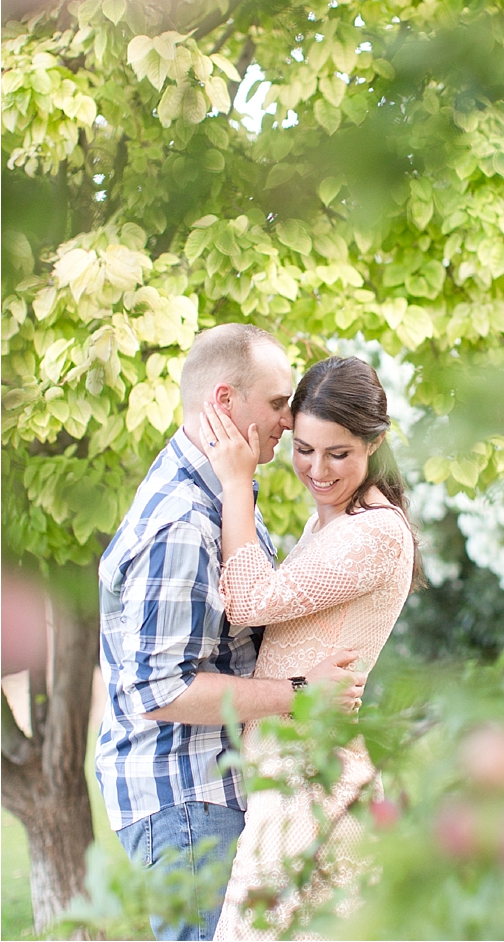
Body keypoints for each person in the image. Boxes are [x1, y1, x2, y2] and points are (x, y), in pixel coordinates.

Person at [96, 325, 366, 942]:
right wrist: (302, 691)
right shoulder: (183, 522)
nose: (289, 421)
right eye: (277, 403)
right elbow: (157, 690)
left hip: (204, 794)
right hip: (188, 800)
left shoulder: (216, 492)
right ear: (225, 401)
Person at [200, 355, 421, 940]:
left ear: (375, 443)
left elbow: (250, 602)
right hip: (289, 778)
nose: (317, 469)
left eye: (338, 453)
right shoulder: (332, 523)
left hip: (312, 784)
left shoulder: (375, 532)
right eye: (303, 449)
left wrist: (235, 484)